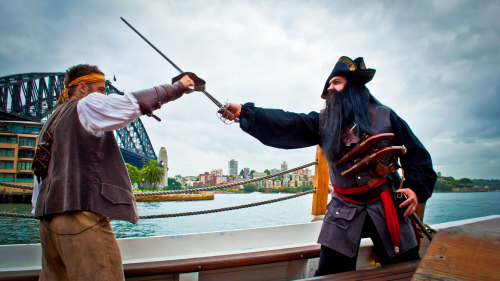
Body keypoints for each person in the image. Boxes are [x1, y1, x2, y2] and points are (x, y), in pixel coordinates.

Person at [221, 56, 437, 276]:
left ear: (353, 86)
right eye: (329, 84)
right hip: (343, 210)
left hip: (385, 205)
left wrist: (414, 189)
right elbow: (289, 123)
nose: (330, 88)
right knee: (330, 274)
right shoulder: (323, 122)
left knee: (406, 270)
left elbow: (417, 156)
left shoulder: (386, 116)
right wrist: (245, 113)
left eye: (337, 83)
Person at [32, 64, 195, 280]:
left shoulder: (52, 119)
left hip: (48, 223)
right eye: (100, 89)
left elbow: (39, 178)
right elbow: (132, 104)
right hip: (79, 219)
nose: (104, 95)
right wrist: (178, 87)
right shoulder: (86, 104)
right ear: (82, 87)